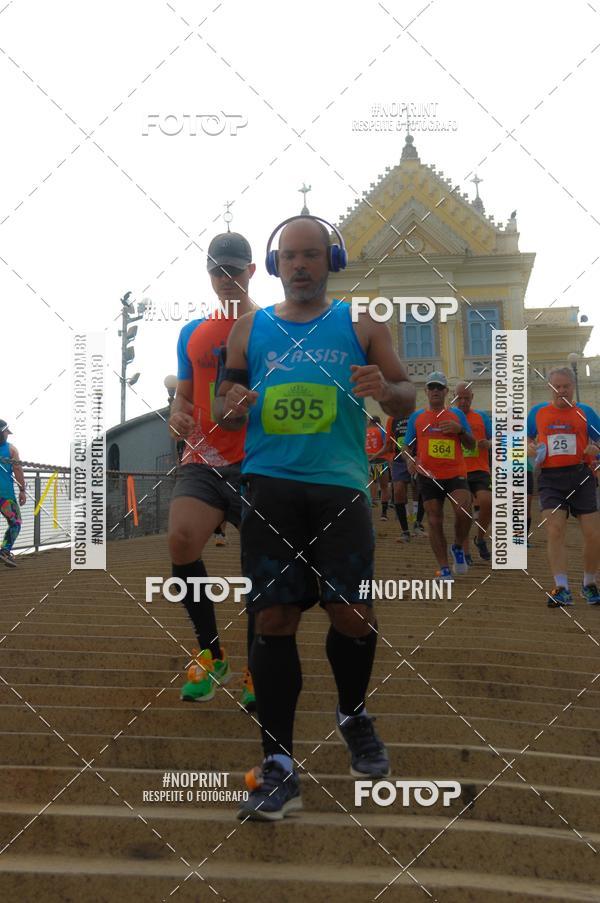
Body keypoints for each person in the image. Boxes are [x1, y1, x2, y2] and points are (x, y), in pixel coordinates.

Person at [215, 214, 415, 820]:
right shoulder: (248, 331)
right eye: (290, 257)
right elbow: (224, 414)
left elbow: (405, 395)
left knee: (351, 613)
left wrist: (384, 387)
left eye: (311, 255)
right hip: (270, 486)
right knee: (271, 618)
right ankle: (278, 766)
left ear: (331, 260)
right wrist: (233, 405)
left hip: (340, 488)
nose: (300, 265)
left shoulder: (362, 323)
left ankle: (353, 713)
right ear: (276, 266)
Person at [167, 232, 257, 709]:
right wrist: (177, 415)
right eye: (217, 271)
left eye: (234, 270)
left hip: (259, 459)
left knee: (263, 563)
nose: (226, 279)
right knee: (181, 542)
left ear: (251, 272)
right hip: (203, 455)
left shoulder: (272, 327)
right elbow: (184, 395)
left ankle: (258, 667)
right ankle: (211, 651)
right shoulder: (192, 333)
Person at [527, 366, 600, 606]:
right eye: (557, 387)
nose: (561, 391)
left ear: (572, 387)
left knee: (593, 534)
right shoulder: (537, 413)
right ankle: (562, 587)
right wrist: (528, 447)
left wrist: (595, 449)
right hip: (550, 478)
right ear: (550, 388)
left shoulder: (586, 412)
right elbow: (522, 439)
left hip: (581, 476)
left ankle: (589, 584)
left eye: (566, 386)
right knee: (555, 530)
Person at [402, 373, 475, 581]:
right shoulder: (417, 417)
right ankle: (444, 569)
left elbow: (472, 445)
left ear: (445, 392)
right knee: (434, 520)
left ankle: (458, 547)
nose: (435, 391)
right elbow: (406, 445)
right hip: (428, 475)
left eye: (439, 387)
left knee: (464, 511)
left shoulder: (457, 415)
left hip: (455, 473)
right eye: (431, 387)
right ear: (426, 392)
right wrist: (409, 460)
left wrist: (460, 431)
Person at [455, 382, 492, 564]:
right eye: (459, 398)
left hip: (480, 468)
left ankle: (480, 538)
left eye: (466, 398)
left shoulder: (482, 417)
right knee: (464, 511)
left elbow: (496, 438)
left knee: (488, 502)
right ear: (453, 398)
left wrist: (489, 444)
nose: (463, 402)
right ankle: (465, 551)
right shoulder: (449, 417)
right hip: (457, 471)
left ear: (472, 398)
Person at [384, 414, 423, 542]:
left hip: (417, 458)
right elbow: (389, 444)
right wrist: (387, 457)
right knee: (399, 491)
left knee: (419, 489)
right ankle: (405, 530)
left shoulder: (418, 416)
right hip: (398, 461)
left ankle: (418, 522)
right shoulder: (392, 419)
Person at [0, 420, 25, 567]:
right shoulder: (11, 450)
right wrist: (22, 490)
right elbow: (18, 470)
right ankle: (5, 551)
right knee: (15, 522)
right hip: (5, 495)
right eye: (6, 433)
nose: (7, 436)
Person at [366, 415, 391, 517]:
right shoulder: (382, 431)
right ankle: (384, 514)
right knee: (384, 487)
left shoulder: (364, 432)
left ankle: (370, 508)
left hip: (366, 461)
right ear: (378, 422)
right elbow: (387, 446)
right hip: (380, 461)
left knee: (371, 484)